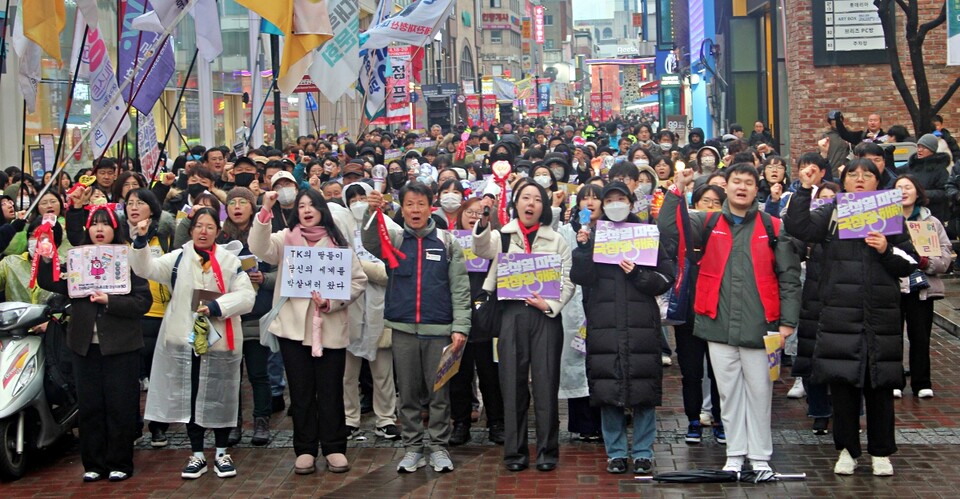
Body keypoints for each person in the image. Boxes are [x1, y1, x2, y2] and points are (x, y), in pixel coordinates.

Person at [657, 164, 802, 473]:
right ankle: (735, 456)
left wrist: (788, 321)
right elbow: (669, 228)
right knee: (729, 394)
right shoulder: (708, 222)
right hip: (717, 324)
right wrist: (676, 190)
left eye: (749, 182)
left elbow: (789, 278)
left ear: (755, 189)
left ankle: (760, 457)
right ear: (727, 187)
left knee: (761, 393)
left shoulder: (774, 227)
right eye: (736, 181)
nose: (742, 187)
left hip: (763, 327)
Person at [785, 158, 917, 477]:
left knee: (880, 387)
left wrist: (886, 248)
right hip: (838, 316)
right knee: (843, 388)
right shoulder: (832, 212)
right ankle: (846, 450)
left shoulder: (889, 215)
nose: (859, 180)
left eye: (867, 175)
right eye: (853, 175)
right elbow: (798, 227)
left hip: (880, 317)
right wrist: (805, 189)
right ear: (843, 182)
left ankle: (881, 452)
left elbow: (910, 261)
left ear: (878, 181)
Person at [130, 207, 256, 480]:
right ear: (190, 229)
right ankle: (197, 454)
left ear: (218, 232)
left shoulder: (229, 261)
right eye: (199, 226)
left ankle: (222, 452)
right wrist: (139, 243)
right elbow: (146, 269)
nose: (203, 231)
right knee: (191, 396)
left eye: (210, 227)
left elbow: (247, 297)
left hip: (220, 340)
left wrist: (217, 306)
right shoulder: (177, 259)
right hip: (185, 342)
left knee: (222, 395)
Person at [250, 188, 367, 474]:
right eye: (301, 206)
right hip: (293, 330)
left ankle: (335, 447)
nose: (306, 210)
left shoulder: (338, 242)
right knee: (300, 393)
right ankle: (304, 449)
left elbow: (358, 281)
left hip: (330, 328)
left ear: (322, 209)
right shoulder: (285, 239)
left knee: (330, 391)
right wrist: (265, 211)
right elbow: (258, 246)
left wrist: (331, 302)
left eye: (312, 205)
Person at [37, 206, 152, 482]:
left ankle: (120, 462)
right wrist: (45, 258)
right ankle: (93, 463)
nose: (99, 230)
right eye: (94, 224)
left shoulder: (127, 259)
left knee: (120, 404)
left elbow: (142, 302)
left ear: (116, 228)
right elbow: (50, 281)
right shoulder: (78, 259)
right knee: (89, 405)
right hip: (84, 345)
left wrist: (109, 301)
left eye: (105, 224)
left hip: (121, 345)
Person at [361, 183, 470, 474]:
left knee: (439, 393)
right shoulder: (394, 239)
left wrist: (460, 326)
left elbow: (460, 288)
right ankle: (412, 447)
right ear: (402, 208)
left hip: (440, 330)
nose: (415, 210)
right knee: (407, 393)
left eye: (421, 204)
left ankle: (438, 446)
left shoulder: (447, 242)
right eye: (409, 204)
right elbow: (371, 241)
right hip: (403, 329)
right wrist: (373, 212)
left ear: (430, 206)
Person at [571, 182, 674, 475]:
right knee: (608, 388)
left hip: (641, 323)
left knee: (643, 389)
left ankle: (642, 452)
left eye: (621, 199)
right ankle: (615, 452)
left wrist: (639, 275)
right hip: (604, 323)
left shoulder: (646, 234)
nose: (616, 204)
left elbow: (666, 276)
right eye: (610, 200)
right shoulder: (595, 235)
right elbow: (581, 277)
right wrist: (583, 247)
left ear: (631, 203)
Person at [472, 180, 575, 472]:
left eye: (537, 199)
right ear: (515, 204)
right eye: (525, 198)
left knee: (545, 384)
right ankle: (514, 453)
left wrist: (550, 306)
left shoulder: (556, 240)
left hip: (545, 317)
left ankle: (547, 452)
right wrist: (484, 220)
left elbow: (568, 280)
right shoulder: (502, 236)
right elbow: (480, 249)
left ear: (544, 207)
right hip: (510, 314)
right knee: (512, 385)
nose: (530, 204)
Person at [217, 187, 277, 447]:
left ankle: (261, 421)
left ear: (253, 207)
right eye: (233, 203)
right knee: (231, 375)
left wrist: (264, 278)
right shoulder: (219, 237)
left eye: (243, 202)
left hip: (256, 316)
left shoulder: (263, 236)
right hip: (228, 317)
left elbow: (281, 273)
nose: (238, 207)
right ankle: (233, 424)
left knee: (258, 374)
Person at [341, 183, 400, 442]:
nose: (358, 202)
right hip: (348, 306)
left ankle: (385, 419)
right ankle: (349, 419)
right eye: (352, 198)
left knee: (383, 369)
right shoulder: (339, 226)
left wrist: (360, 267)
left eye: (362, 196)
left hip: (381, 303)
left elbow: (395, 269)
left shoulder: (388, 224)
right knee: (347, 372)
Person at [448, 198, 505, 446]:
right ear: (460, 215)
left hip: (489, 316)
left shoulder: (496, 241)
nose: (473, 216)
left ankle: (496, 423)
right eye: (468, 212)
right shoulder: (450, 241)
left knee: (491, 375)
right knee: (458, 376)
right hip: (458, 316)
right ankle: (460, 423)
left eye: (478, 213)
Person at [894, 175, 953, 399]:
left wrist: (927, 262)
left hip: (922, 288)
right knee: (893, 337)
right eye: (898, 188)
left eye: (908, 187)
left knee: (920, 336)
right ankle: (895, 381)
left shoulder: (932, 222)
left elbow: (945, 257)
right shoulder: (886, 221)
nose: (903, 191)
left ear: (918, 192)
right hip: (894, 287)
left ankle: (922, 382)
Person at [557, 184, 604, 442]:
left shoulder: (611, 231)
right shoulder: (566, 231)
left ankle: (604, 420)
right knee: (575, 361)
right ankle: (582, 423)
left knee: (600, 361)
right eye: (585, 197)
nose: (590, 202)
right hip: (574, 301)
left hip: (601, 300)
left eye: (596, 197)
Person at [896, 134, 951, 224]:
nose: (920, 150)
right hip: (909, 214)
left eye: (924, 148)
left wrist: (922, 193)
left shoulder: (940, 170)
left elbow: (944, 192)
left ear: (932, 150)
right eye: (918, 147)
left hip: (931, 215)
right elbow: (894, 176)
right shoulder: (910, 166)